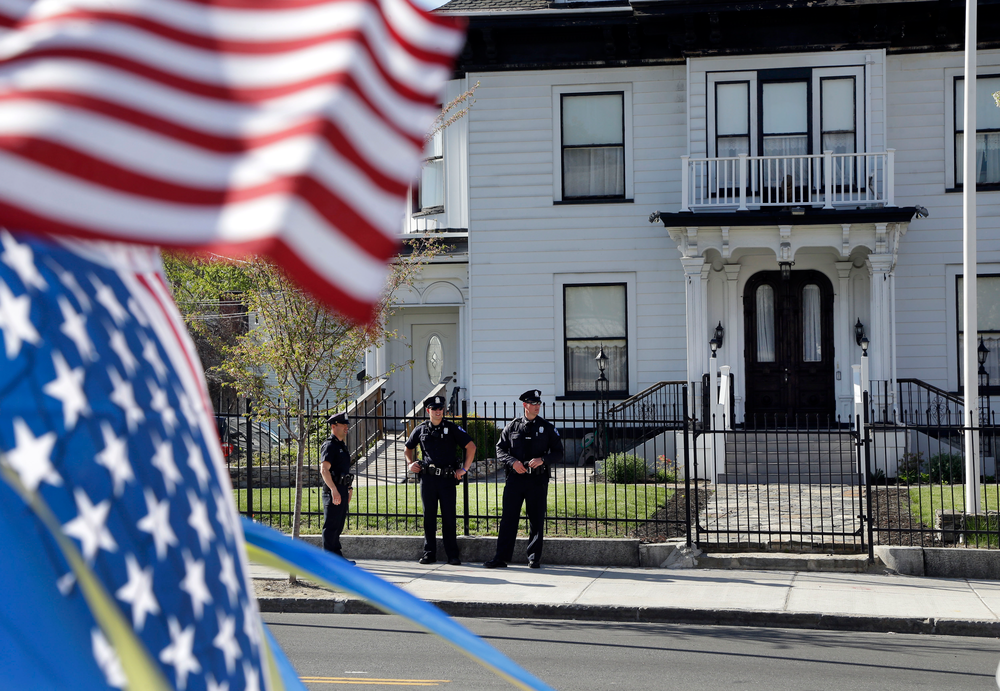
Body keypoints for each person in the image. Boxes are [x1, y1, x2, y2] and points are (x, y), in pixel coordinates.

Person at [484, 389, 563, 569]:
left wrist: (542, 460)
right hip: (516, 480)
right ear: (525, 405)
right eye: (533, 404)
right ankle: (501, 558)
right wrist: (512, 462)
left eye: (538, 404)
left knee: (536, 519)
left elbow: (559, 453)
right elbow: (500, 449)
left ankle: (534, 557)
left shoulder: (547, 427)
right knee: (508, 518)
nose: (537, 407)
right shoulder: (513, 426)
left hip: (537, 480)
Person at [405, 394, 476, 565]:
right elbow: (408, 449)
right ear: (428, 410)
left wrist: (464, 469)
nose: (438, 412)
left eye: (441, 409)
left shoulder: (452, 429)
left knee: (449, 517)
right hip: (428, 479)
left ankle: (452, 554)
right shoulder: (421, 429)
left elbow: (471, 447)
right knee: (429, 517)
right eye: (435, 409)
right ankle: (429, 553)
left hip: (447, 479)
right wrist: (410, 464)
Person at [320, 411, 356, 564]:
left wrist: (348, 488)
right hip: (333, 490)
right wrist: (334, 490)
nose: (347, 427)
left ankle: (336, 557)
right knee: (331, 526)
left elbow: (343, 469)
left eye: (347, 425)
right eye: (344, 425)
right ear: (334, 426)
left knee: (339, 524)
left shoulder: (341, 445)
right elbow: (324, 470)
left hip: (341, 488)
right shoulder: (330, 445)